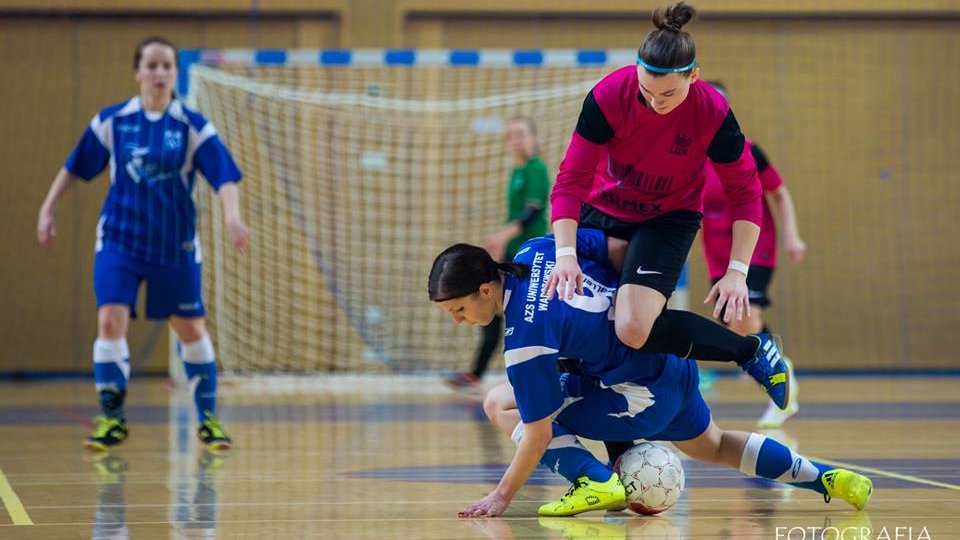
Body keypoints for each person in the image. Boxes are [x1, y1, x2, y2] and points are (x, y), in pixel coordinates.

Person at [428, 231, 872, 518]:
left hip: (636, 394)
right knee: (713, 445)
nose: (459, 320)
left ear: (486, 289)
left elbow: (539, 435)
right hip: (670, 358)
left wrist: (502, 496)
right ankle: (827, 478)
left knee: (499, 402)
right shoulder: (543, 249)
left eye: (460, 310)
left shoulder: (523, 340)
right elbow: (617, 250)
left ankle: (595, 480)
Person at [542, 2, 790, 411]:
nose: (656, 103)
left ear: (694, 75)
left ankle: (750, 352)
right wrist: (565, 254)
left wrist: (737, 272)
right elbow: (570, 180)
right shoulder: (608, 96)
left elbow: (746, 195)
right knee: (561, 314)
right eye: (647, 92)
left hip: (667, 219)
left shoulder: (712, 112)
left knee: (634, 327)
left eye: (669, 94)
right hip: (601, 211)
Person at [37, 36, 248, 451]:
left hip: (175, 245)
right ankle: (111, 419)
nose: (159, 73)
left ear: (175, 73)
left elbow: (224, 176)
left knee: (190, 329)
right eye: (151, 65)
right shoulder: (113, 122)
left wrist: (232, 216)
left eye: (167, 66)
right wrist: (48, 208)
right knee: (110, 321)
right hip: (121, 240)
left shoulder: (192, 126)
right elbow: (75, 168)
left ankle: (207, 418)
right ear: (137, 72)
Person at [700, 82, 806, 428]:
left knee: (747, 318)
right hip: (717, 252)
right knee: (735, 324)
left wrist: (792, 234)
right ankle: (775, 368)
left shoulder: (748, 150)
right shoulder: (690, 156)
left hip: (755, 247)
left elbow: (779, 193)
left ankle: (782, 381)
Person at [445, 117, 551, 392]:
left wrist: (504, 236)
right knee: (494, 305)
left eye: (521, 134)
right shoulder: (517, 171)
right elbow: (515, 216)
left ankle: (531, 372)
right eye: (511, 135)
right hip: (514, 252)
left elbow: (532, 213)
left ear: (533, 138)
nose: (516, 140)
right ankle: (476, 374)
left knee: (518, 309)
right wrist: (503, 243)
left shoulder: (535, 168)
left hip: (531, 255)